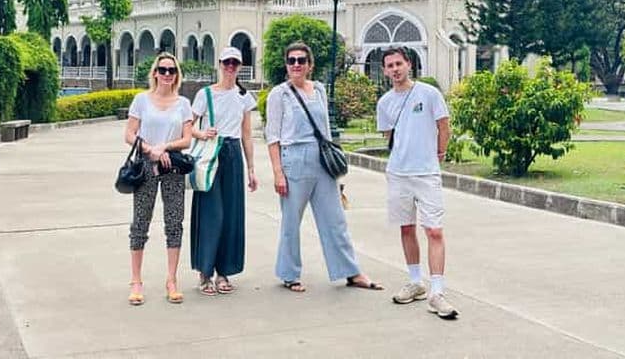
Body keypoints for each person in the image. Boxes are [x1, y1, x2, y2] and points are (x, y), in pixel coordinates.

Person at [265, 41, 382, 293]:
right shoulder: (279, 94)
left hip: (322, 158)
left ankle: (351, 271)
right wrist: (277, 173)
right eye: (292, 60)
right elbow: (272, 136)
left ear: (310, 65)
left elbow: (326, 132)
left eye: (301, 60)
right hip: (294, 159)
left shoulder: (318, 90)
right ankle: (289, 273)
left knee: (335, 219)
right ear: (286, 65)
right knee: (291, 221)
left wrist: (335, 172)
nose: (296, 65)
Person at [376, 46, 458, 319]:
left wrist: (439, 153)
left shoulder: (429, 93)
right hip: (399, 173)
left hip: (426, 173)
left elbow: (443, 126)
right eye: (389, 65)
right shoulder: (385, 102)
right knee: (406, 228)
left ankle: (437, 291)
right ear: (385, 70)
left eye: (399, 63)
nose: (395, 69)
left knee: (434, 230)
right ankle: (415, 281)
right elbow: (390, 137)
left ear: (409, 64)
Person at [124, 52, 193, 306]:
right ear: (155, 73)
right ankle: (136, 280)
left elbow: (187, 140)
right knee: (140, 221)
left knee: (174, 222)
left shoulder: (183, 103)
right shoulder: (142, 100)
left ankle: (172, 279)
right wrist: (150, 150)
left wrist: (165, 147)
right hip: (145, 166)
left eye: (171, 70)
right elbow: (129, 134)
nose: (167, 74)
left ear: (176, 75)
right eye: (162, 70)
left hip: (173, 166)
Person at [190, 46, 259, 295]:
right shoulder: (205, 94)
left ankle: (224, 271)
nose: (230, 67)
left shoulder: (243, 97)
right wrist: (201, 132)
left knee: (231, 214)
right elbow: (188, 126)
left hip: (232, 154)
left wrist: (251, 168)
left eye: (235, 63)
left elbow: (247, 135)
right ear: (219, 64)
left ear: (240, 66)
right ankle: (204, 271)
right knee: (211, 212)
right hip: (210, 153)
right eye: (226, 62)